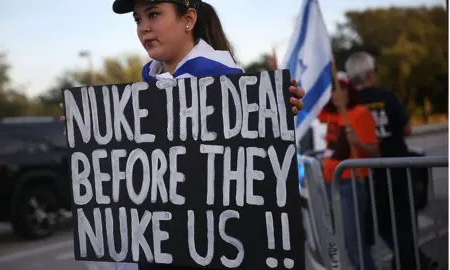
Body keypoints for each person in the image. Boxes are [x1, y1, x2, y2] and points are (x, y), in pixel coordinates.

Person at [61, 1, 306, 270]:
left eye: (153, 14)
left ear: (188, 19)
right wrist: (89, 135)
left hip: (219, 251)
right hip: (159, 250)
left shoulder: (229, 83)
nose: (144, 28)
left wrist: (273, 115)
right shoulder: (143, 92)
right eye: (137, 19)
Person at [345, 52, 437, 270]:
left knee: (384, 224)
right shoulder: (386, 96)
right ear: (370, 73)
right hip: (399, 168)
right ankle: (416, 262)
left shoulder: (352, 105)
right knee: (404, 222)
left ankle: (411, 261)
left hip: (370, 174)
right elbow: (407, 129)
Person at [318, 76, 379, 270]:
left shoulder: (361, 114)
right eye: (333, 90)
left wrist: (358, 143)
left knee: (354, 246)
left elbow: (375, 152)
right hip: (330, 185)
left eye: (341, 89)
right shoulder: (330, 115)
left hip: (350, 185)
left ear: (349, 92)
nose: (336, 94)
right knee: (342, 244)